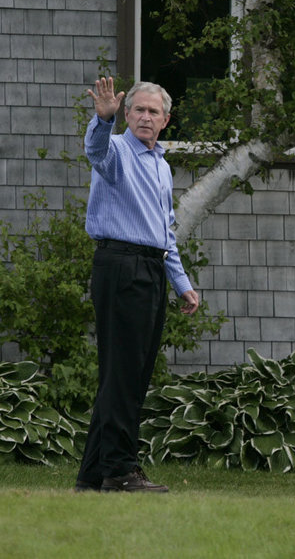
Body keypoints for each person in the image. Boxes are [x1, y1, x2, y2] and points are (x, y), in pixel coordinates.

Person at [75, 76, 199, 493]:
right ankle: (120, 470)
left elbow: (164, 230)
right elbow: (95, 150)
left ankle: (93, 475)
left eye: (154, 112)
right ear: (126, 115)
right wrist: (102, 120)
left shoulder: (162, 165)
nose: (145, 117)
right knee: (124, 374)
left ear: (166, 120)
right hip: (121, 265)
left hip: (150, 268)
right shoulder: (116, 153)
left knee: (129, 373)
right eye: (138, 110)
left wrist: (181, 282)